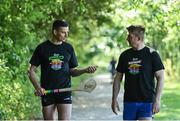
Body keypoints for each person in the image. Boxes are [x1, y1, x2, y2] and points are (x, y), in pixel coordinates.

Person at [28, 20, 98, 120]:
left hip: (65, 91)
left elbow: (72, 71)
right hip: (47, 92)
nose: (66, 35)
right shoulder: (42, 48)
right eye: (63, 32)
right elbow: (31, 71)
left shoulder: (68, 48)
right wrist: (38, 87)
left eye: (67, 32)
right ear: (55, 32)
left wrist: (85, 70)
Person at [111, 25, 165, 120]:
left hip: (147, 101)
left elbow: (161, 77)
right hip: (129, 101)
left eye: (130, 36)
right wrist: (114, 99)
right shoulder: (124, 55)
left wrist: (157, 100)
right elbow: (117, 78)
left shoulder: (152, 54)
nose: (127, 38)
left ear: (139, 38)